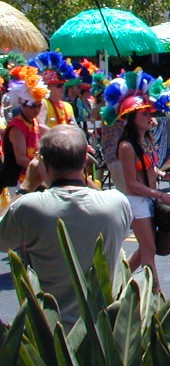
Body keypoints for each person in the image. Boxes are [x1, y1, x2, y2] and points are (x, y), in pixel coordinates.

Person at [0, 125, 131, 331]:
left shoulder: (28, 207)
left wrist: (27, 186)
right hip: (102, 332)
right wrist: (85, 176)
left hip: (51, 332)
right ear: (85, 162)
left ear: (43, 164)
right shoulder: (117, 203)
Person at [103, 69, 170, 290]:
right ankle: (155, 296)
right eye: (144, 114)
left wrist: (163, 175)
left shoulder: (147, 139)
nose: (150, 117)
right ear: (132, 118)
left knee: (146, 248)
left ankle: (117, 284)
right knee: (149, 250)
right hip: (136, 201)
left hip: (148, 198)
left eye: (150, 112)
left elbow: (149, 168)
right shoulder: (126, 146)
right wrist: (160, 195)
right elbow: (131, 184)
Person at [1, 66, 48, 194]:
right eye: (33, 106)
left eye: (39, 106)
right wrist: (44, 172)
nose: (37, 110)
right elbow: (21, 158)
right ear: (23, 105)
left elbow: (49, 132)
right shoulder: (17, 127)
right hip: (16, 181)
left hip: (31, 178)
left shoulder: (34, 122)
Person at [28, 52, 77, 131]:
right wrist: (56, 136)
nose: (63, 88)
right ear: (48, 88)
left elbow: (75, 128)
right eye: (59, 86)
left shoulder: (68, 106)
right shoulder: (43, 103)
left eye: (63, 85)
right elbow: (40, 126)